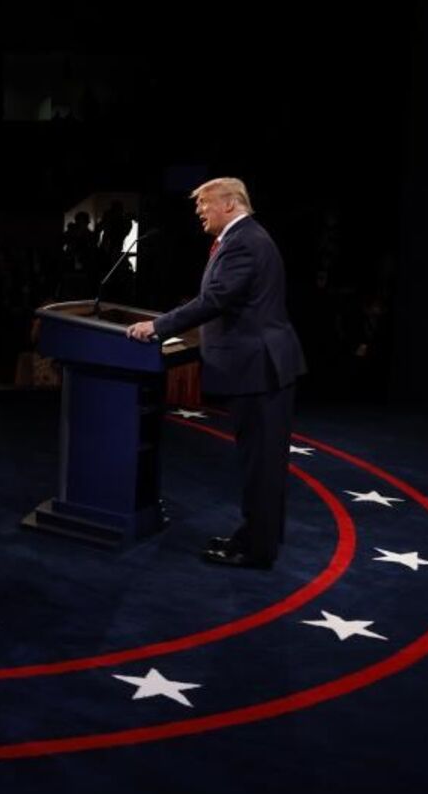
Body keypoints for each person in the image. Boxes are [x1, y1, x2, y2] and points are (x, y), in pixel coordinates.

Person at [127, 178, 305, 569]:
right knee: (261, 462)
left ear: (229, 203)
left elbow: (216, 299)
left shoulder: (244, 242)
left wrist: (158, 327)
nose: (199, 211)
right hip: (261, 366)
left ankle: (256, 550)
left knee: (261, 464)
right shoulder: (245, 238)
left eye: (204, 203)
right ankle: (257, 537)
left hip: (259, 369)